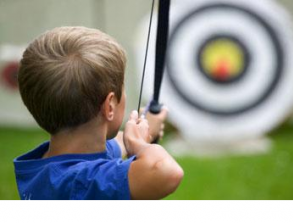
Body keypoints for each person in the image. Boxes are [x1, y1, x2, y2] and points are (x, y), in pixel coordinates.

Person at [13, 26, 183, 200]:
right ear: (109, 106)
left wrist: (145, 129)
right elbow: (167, 172)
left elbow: (117, 144)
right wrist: (141, 145)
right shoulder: (85, 183)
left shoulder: (47, 166)